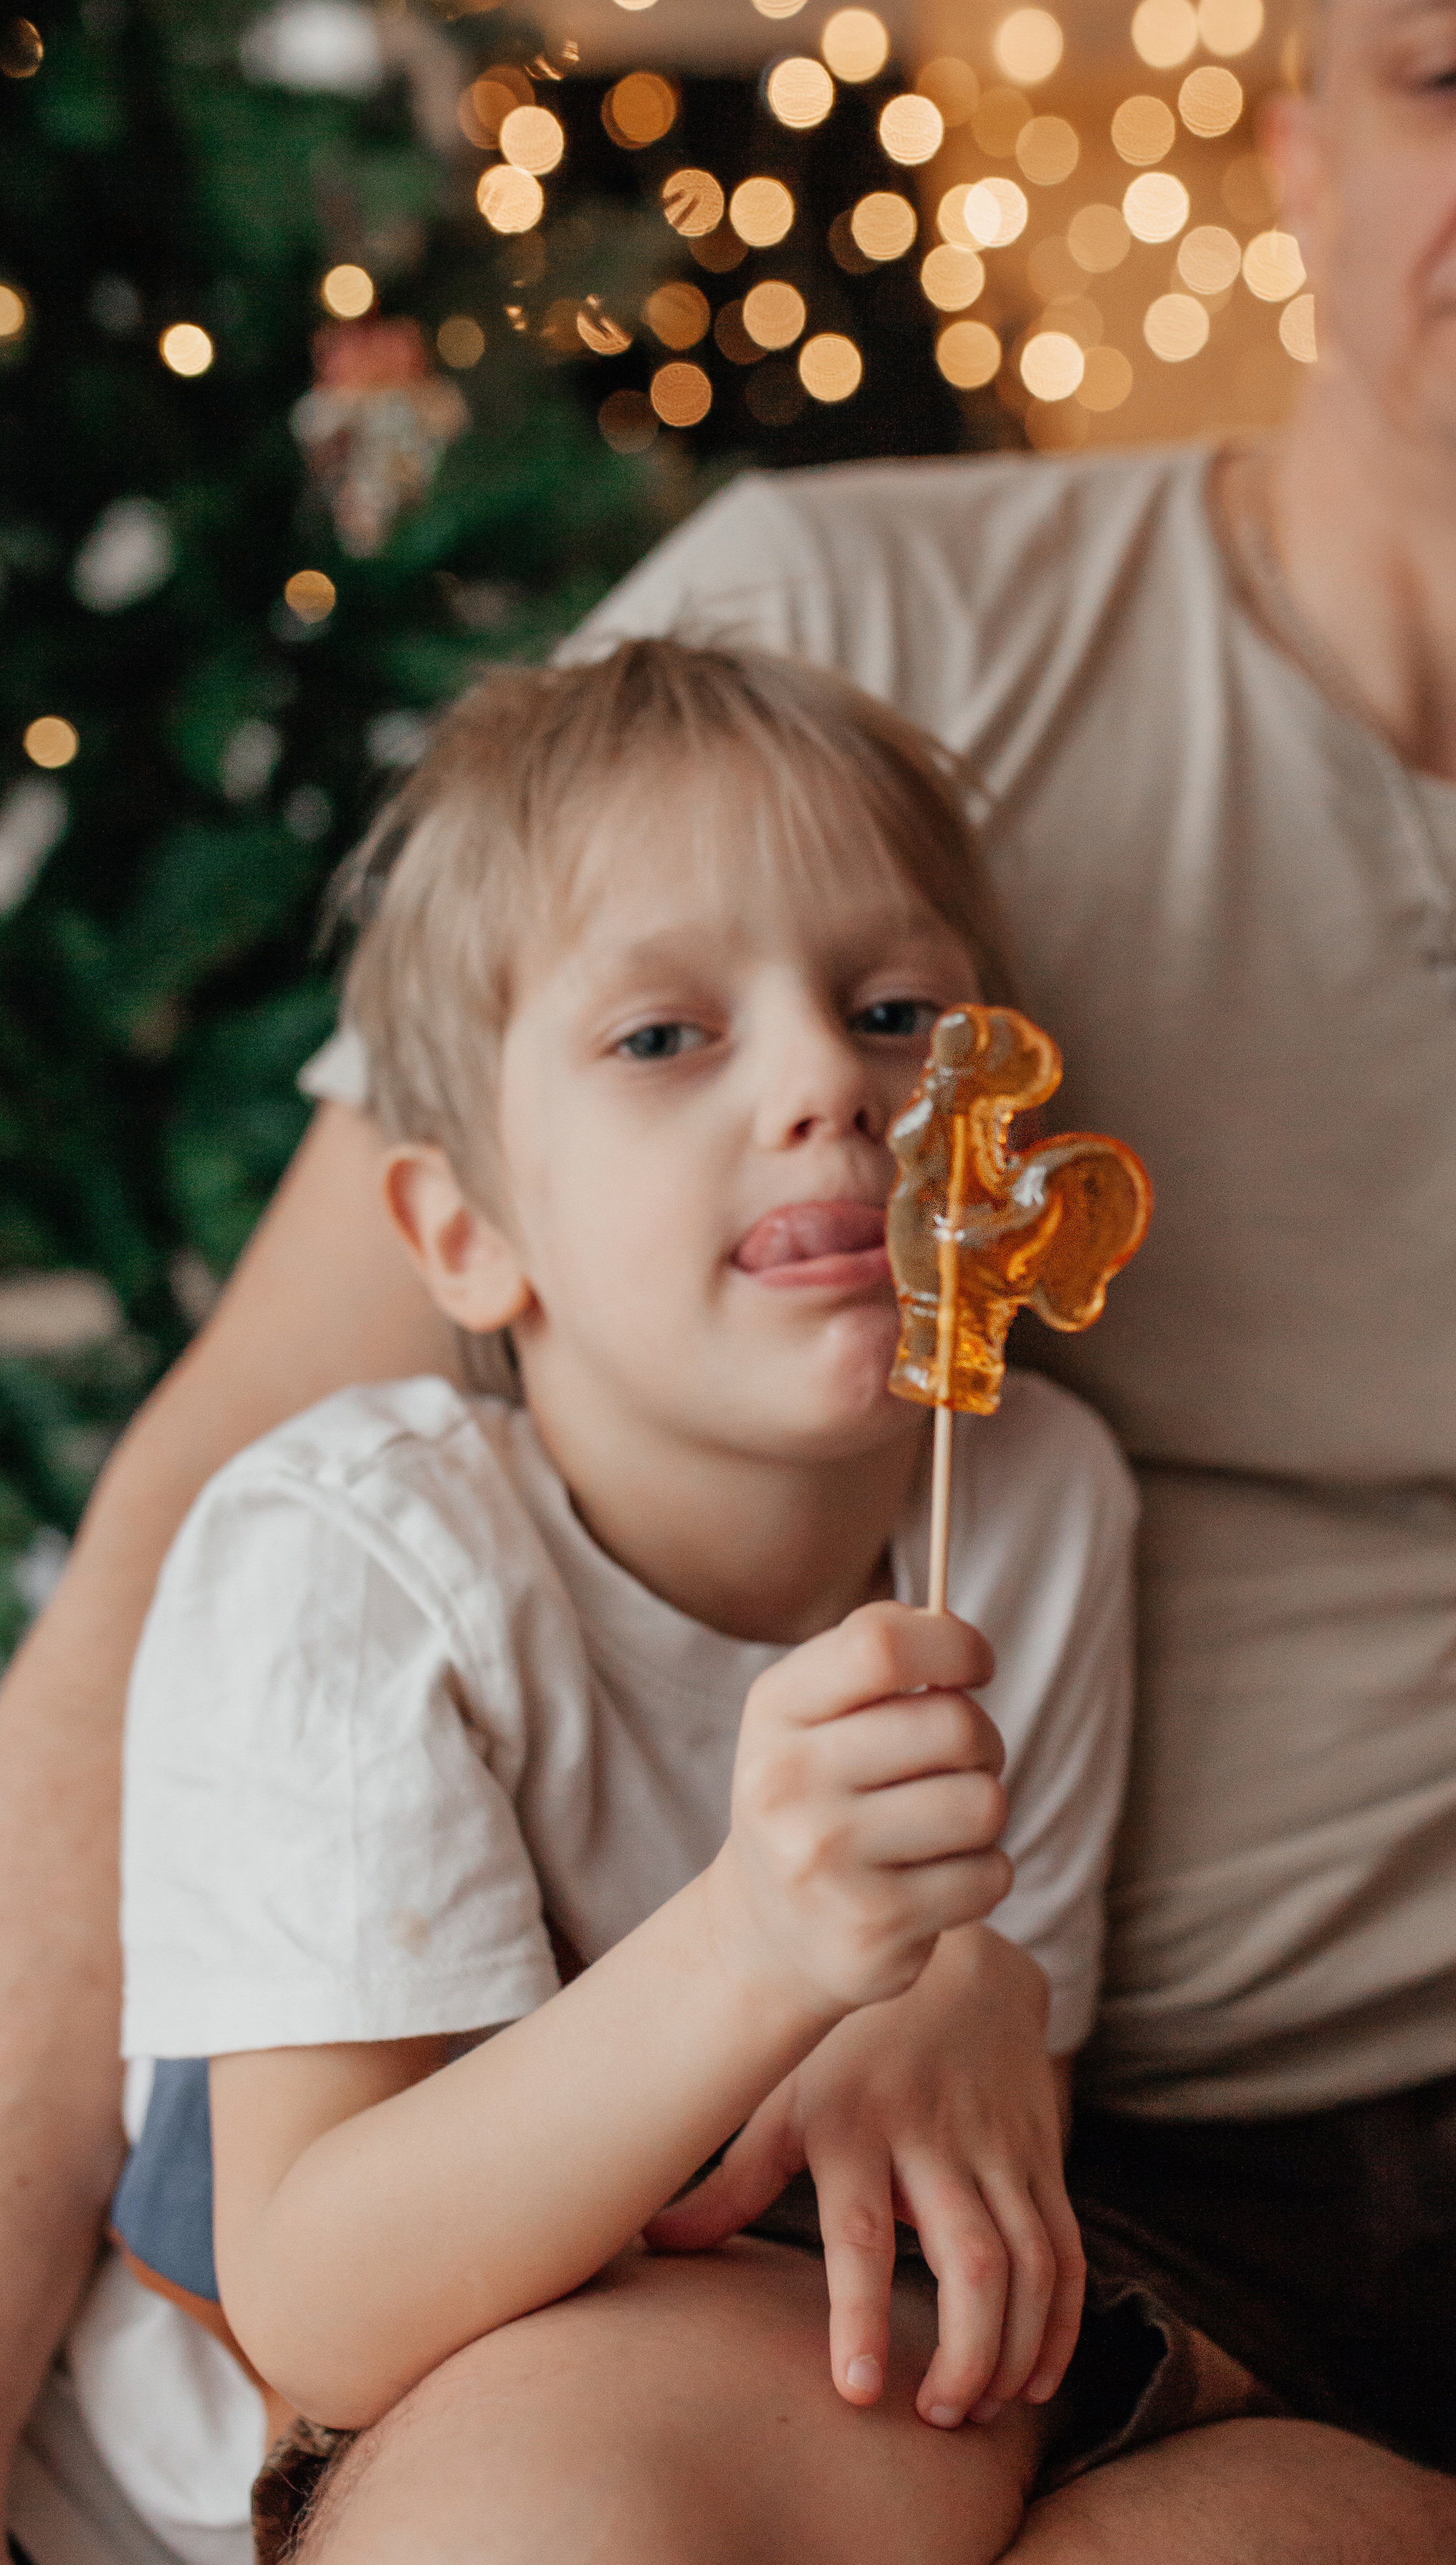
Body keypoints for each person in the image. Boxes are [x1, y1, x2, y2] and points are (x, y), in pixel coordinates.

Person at [9, 0, 1456, 2556]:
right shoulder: (838, 700)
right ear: (1298, 147)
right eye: (1455, 64)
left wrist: (973, 1986)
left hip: (1400, 2163)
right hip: (785, 2225)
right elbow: (177, 1569)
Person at [78, 636, 1142, 2564]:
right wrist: (760, 1949)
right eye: (664, 1038)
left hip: (687, 2386)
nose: (831, 1082)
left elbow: (974, 2134)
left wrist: (973, 2003)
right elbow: (318, 2316)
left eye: (899, 1010)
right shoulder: (350, 1564)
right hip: (233, 2490)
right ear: (464, 1234)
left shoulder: (1033, 1509)